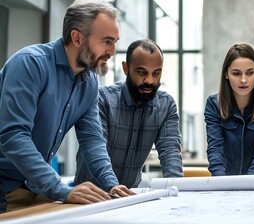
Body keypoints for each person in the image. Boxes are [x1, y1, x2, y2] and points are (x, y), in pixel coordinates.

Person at [0, 0, 134, 213]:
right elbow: (13, 136)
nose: (112, 51)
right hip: (5, 187)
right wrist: (59, 189)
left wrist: (111, 184)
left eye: (114, 42)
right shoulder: (29, 64)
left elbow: (92, 140)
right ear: (77, 38)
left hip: (36, 187)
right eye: (106, 41)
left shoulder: (89, 82)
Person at [74, 39, 184, 188]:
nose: (150, 80)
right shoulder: (102, 100)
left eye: (156, 73)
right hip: (90, 196)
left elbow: (171, 155)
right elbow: (96, 152)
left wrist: (177, 190)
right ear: (126, 68)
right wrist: (113, 187)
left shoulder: (166, 106)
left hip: (129, 197)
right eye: (141, 72)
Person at [204, 43, 254, 176]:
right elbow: (215, 148)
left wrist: (247, 184)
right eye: (236, 73)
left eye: (250, 73)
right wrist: (221, 182)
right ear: (226, 74)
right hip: (225, 183)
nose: (243, 80)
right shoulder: (213, 104)